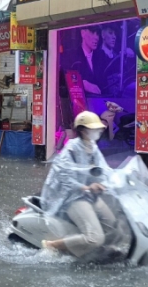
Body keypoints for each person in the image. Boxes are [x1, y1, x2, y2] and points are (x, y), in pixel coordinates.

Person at [39, 111, 119, 259]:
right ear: (82, 130)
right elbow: (65, 178)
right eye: (94, 129)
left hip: (89, 195)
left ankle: (96, 252)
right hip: (72, 197)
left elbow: (103, 170)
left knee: (114, 226)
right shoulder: (71, 149)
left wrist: (113, 181)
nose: (98, 132)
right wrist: (87, 187)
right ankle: (52, 245)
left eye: (98, 129)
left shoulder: (93, 147)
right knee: (95, 238)